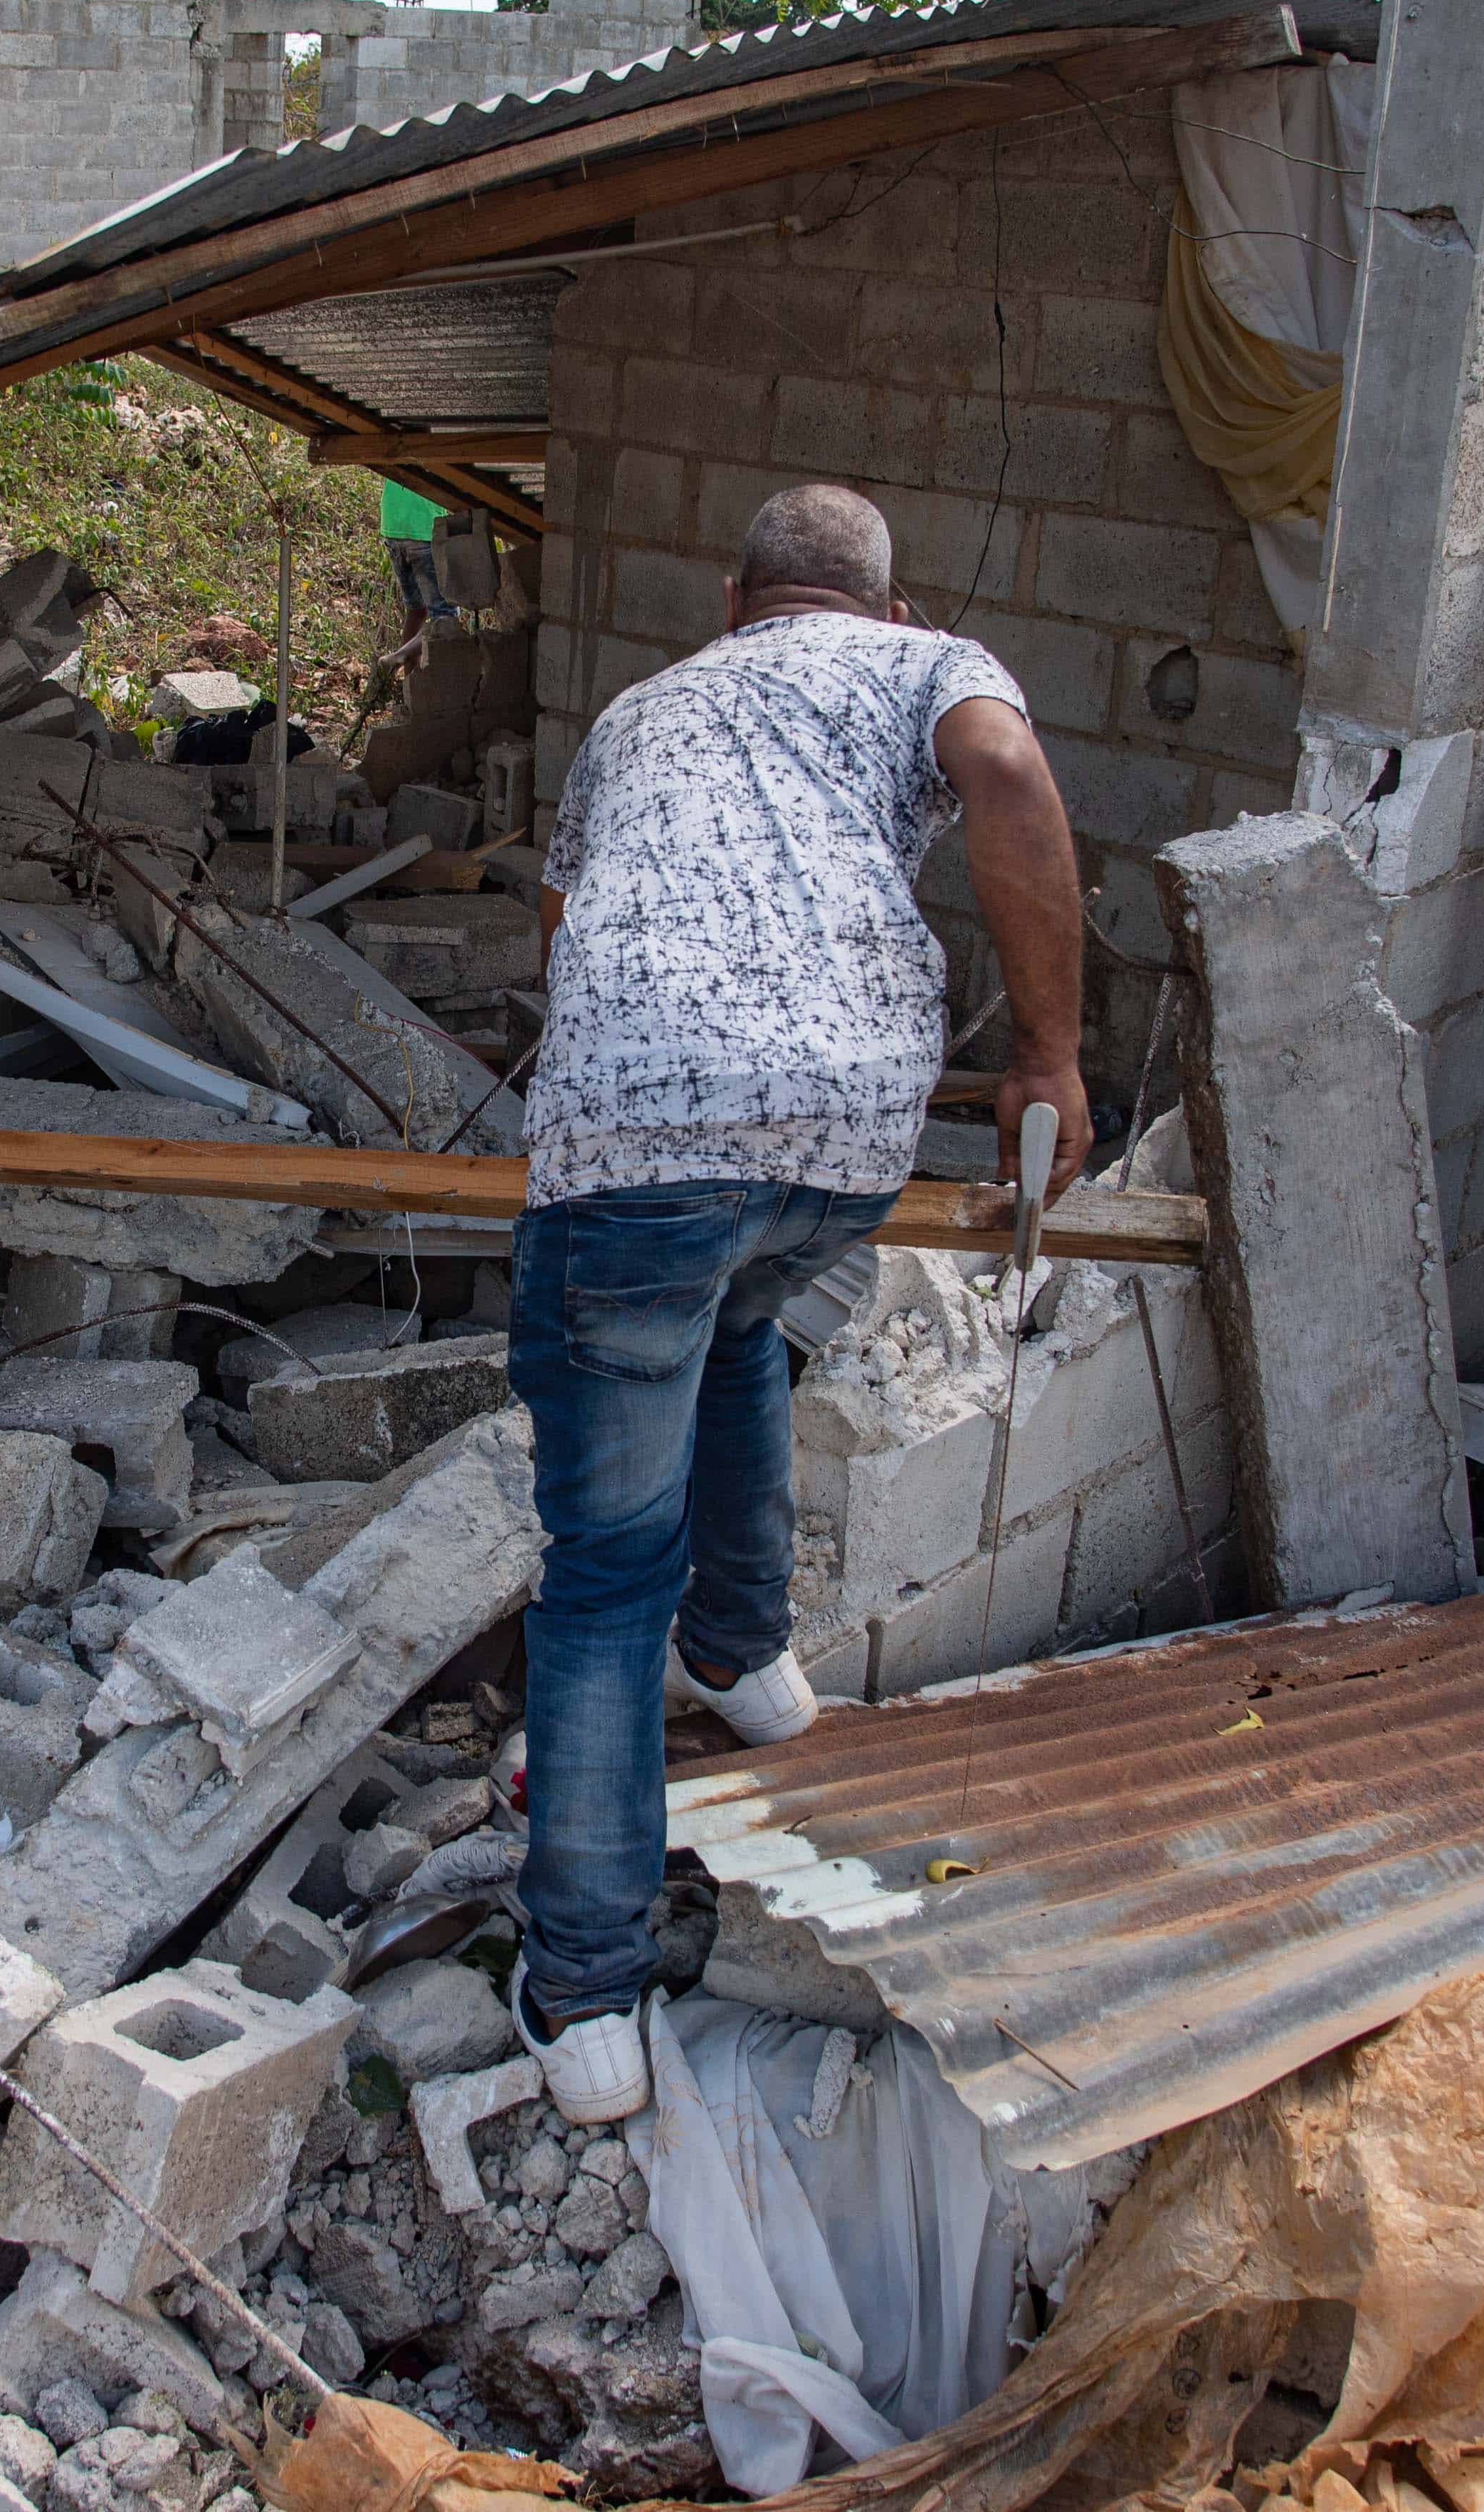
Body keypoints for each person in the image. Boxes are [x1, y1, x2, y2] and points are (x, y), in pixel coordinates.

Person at [503, 480, 1093, 2123]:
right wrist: (1045, 1049)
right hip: (841, 1126)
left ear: (731, 597)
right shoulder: (926, 668)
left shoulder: (640, 707)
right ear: (882, 607)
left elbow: (566, 918)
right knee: (746, 1318)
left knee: (600, 1573)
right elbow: (1007, 768)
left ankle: (584, 2001)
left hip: (632, 1149)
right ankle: (751, 1661)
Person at [381, 476, 449, 624]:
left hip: (393, 524)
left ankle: (404, 648)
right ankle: (399, 650)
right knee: (444, 616)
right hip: (423, 525)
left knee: (417, 610)